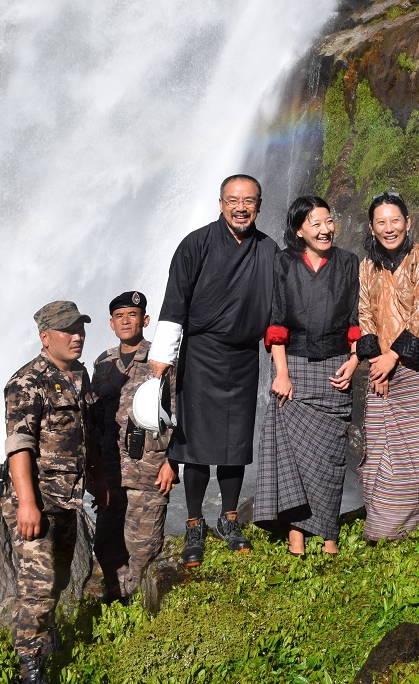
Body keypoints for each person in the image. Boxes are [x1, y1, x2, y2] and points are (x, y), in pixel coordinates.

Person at [149, 174, 278, 566]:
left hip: (243, 357)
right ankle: (193, 522)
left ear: (259, 205)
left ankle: (229, 518)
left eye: (249, 201)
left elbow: (280, 307)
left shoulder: (268, 249)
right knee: (197, 445)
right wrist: (161, 361)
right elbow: (175, 302)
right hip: (201, 354)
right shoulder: (196, 244)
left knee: (235, 443)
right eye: (233, 200)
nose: (241, 207)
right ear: (220, 203)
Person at [2, 301, 108, 684]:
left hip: (67, 496)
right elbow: (19, 445)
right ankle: (29, 668)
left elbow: (87, 432)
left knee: (59, 575)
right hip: (36, 499)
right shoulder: (26, 381)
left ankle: (43, 639)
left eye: (79, 327)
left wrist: (97, 476)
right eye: (67, 330)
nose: (77, 335)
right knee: (38, 584)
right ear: (45, 338)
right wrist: (27, 504)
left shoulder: (80, 374)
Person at [253, 196, 360, 555]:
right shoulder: (283, 262)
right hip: (293, 365)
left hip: (335, 365)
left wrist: (356, 359)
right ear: (299, 230)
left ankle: (328, 533)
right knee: (294, 455)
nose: (325, 229)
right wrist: (280, 374)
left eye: (328, 221)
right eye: (315, 223)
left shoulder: (348, 262)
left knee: (330, 456)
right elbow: (276, 320)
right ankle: (296, 534)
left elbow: (356, 320)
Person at [357, 192, 419, 540]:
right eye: (381, 222)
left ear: (408, 223)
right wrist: (377, 363)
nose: (389, 228)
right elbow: (365, 314)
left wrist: (393, 358)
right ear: (372, 227)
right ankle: (381, 525)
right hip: (382, 368)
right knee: (379, 445)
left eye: (395, 220)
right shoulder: (368, 265)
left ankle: (408, 524)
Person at [92, 291, 177, 602]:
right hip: (110, 471)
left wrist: (173, 461)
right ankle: (118, 602)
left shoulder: (162, 360)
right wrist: (93, 469)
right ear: (111, 324)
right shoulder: (102, 363)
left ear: (145, 320)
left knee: (144, 547)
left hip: (149, 469)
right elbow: (94, 417)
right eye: (119, 316)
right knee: (106, 543)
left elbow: (181, 414)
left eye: (132, 314)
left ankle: (142, 608)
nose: (125, 321)